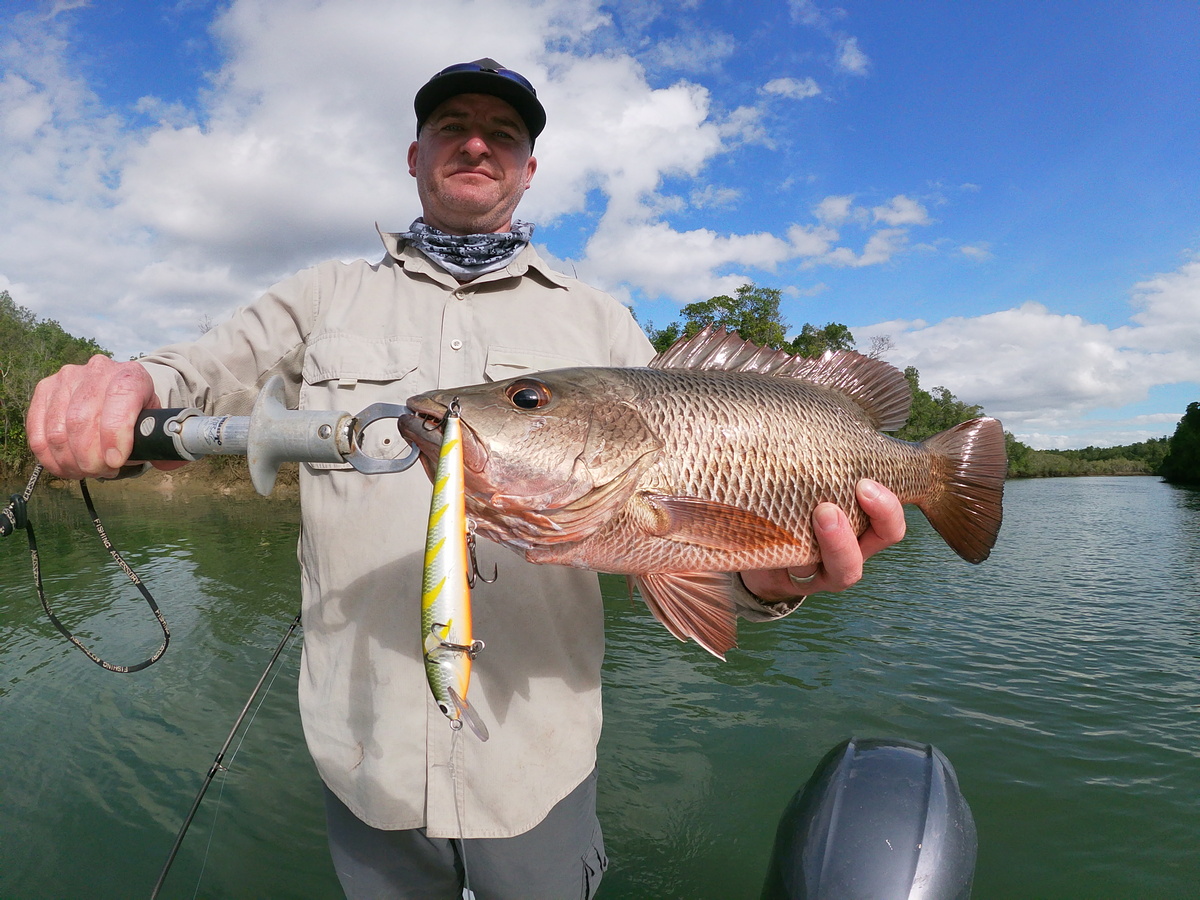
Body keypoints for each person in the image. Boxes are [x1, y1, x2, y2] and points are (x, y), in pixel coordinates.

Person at [26, 59, 906, 899]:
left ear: (529, 169)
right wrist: (122, 383)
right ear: (417, 157)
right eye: (453, 126)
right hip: (361, 756)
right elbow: (190, 373)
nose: (477, 144)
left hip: (538, 769)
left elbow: (683, 530)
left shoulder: (601, 320)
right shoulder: (323, 296)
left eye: (503, 133)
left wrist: (764, 582)